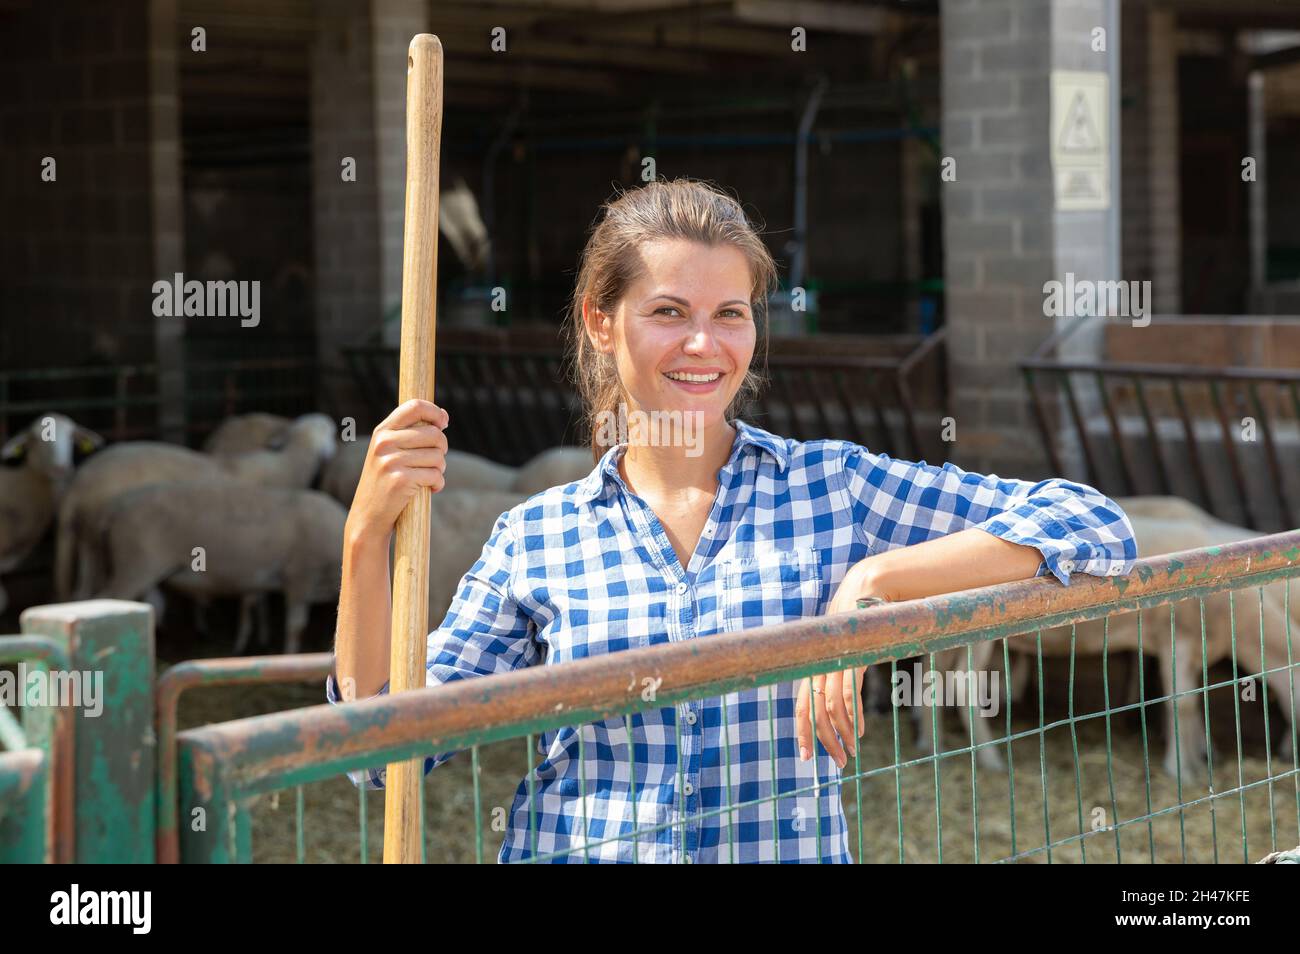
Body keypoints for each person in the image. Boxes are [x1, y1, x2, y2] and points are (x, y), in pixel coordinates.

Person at [328, 178, 1136, 863]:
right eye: (669, 311)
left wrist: (872, 582)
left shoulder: (833, 490)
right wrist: (365, 536)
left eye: (732, 313)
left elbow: (1094, 525)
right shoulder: (536, 539)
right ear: (600, 322)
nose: (704, 344)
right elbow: (383, 753)